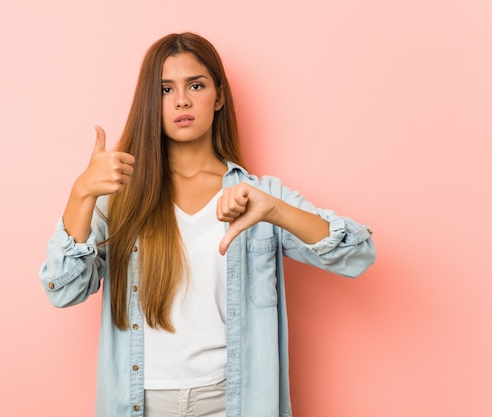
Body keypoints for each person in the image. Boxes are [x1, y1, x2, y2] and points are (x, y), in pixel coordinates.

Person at [39, 32, 375, 417]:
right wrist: (81, 192)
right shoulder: (119, 196)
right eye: (165, 89)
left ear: (218, 96)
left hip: (234, 403)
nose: (181, 99)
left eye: (195, 85)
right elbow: (63, 290)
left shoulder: (258, 195)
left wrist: (276, 211)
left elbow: (358, 255)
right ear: (151, 101)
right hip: (140, 402)